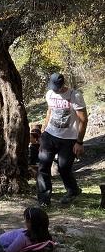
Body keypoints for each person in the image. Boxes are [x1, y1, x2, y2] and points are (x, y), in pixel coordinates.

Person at [37, 73, 88, 206]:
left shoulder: (74, 95)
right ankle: (44, 200)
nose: (55, 89)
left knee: (64, 167)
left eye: (57, 87)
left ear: (62, 85)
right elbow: (50, 110)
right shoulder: (49, 94)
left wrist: (79, 142)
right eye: (53, 87)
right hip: (50, 135)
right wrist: (44, 127)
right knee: (43, 165)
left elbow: (83, 119)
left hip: (69, 138)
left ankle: (73, 190)